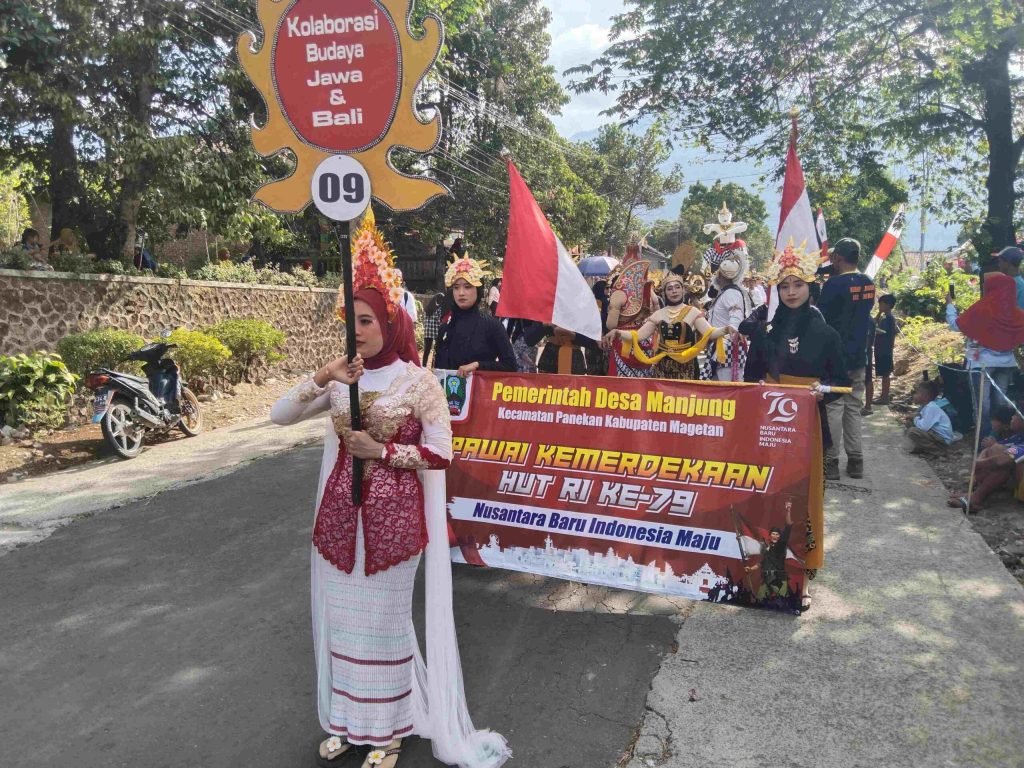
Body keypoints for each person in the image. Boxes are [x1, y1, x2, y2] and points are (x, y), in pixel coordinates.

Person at [269, 220, 510, 768]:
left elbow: (442, 453)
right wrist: (322, 375)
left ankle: (389, 732)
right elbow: (278, 415)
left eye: (367, 320)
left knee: (382, 624)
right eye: (350, 320)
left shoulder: (417, 380)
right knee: (344, 621)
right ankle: (347, 723)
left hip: (394, 526)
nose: (357, 330)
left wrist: (382, 453)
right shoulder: (340, 377)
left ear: (391, 321)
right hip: (337, 520)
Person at [744, 240, 850, 612]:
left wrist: (822, 393)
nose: (791, 292)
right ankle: (765, 574)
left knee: (801, 502)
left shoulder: (827, 334)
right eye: (784, 286)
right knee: (767, 499)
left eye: (798, 285)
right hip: (769, 430)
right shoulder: (765, 332)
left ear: (811, 287)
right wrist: (759, 389)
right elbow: (749, 379)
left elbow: (841, 381)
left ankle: (799, 579)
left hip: (807, 430)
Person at [816, 237, 875, 480]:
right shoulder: (868, 283)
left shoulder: (832, 286)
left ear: (838, 258)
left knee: (834, 407)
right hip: (859, 354)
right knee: (853, 407)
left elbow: (822, 318)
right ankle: (856, 460)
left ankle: (831, 461)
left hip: (835, 356)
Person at [603, 270, 728, 380]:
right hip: (662, 366)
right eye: (670, 288)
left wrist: (727, 329)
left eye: (677, 287)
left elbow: (710, 333)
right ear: (665, 293)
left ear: (683, 290)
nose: (674, 291)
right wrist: (618, 332)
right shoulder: (658, 314)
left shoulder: (693, 312)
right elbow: (638, 335)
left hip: (686, 366)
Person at [945, 271, 1024, 438]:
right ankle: (1005, 440)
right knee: (1002, 404)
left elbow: (955, 325)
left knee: (983, 406)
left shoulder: (982, 309)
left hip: (981, 364)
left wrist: (950, 305)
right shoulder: (1015, 312)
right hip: (1006, 364)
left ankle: (983, 443)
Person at [434, 255, 516, 376]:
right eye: (456, 288)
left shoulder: (492, 326)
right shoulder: (445, 327)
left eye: (467, 287)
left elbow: (510, 366)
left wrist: (478, 365)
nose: (461, 293)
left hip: (481, 393)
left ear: (478, 290)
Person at [947, 407, 1024, 513]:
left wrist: (978, 464)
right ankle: (976, 495)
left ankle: (976, 498)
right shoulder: (1019, 437)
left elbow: (1001, 460)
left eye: (1016, 415)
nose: (1012, 417)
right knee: (999, 454)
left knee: (1004, 460)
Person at [605, 239, 658, 377]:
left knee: (622, 387)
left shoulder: (618, 293)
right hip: (645, 339)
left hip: (623, 340)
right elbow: (656, 318)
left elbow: (611, 325)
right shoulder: (650, 292)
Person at [706, 251, 752, 381]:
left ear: (719, 275)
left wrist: (726, 345)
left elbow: (735, 320)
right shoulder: (726, 292)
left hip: (727, 348)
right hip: (720, 346)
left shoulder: (731, 293)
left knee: (726, 388)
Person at [905, 379, 959, 456]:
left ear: (925, 397)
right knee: (909, 422)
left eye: (917, 393)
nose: (914, 395)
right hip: (934, 435)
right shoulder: (926, 407)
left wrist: (915, 417)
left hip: (942, 440)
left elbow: (923, 427)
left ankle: (938, 450)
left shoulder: (931, 408)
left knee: (912, 431)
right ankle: (923, 446)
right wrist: (914, 417)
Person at [871, 294, 897, 406]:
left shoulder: (889, 318)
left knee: (886, 374)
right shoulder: (884, 316)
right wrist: (879, 313)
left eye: (881, 304)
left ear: (888, 305)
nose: (879, 306)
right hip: (881, 349)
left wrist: (873, 330)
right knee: (883, 373)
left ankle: (885, 397)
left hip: (885, 349)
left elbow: (881, 331)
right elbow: (874, 322)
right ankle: (883, 395)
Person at [421, 292, 445, 366]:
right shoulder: (439, 309)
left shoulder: (427, 309)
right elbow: (440, 321)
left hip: (427, 333)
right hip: (436, 332)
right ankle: (433, 365)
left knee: (426, 350)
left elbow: (424, 320)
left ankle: (424, 365)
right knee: (436, 350)